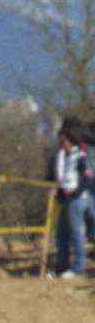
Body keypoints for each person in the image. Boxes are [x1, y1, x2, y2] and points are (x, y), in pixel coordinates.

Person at [52, 117, 93, 279]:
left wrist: (75, 192)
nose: (61, 143)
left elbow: (87, 177)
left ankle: (79, 267)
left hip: (78, 199)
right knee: (62, 233)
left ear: (69, 140)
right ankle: (62, 265)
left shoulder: (80, 155)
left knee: (77, 233)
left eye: (63, 140)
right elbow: (62, 179)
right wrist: (59, 191)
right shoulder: (62, 157)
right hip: (66, 199)